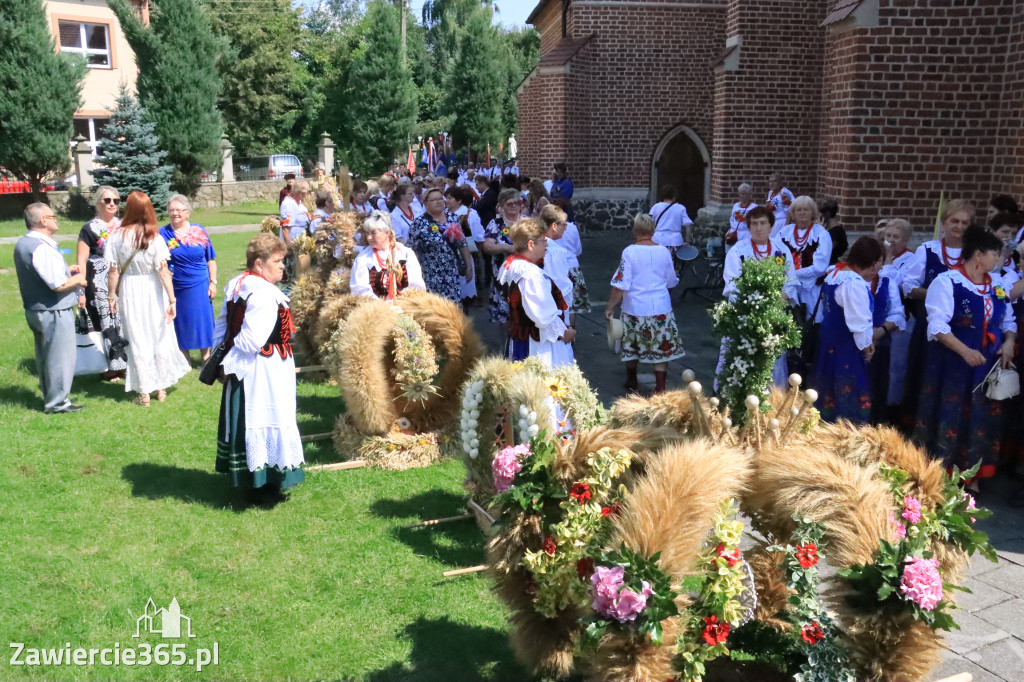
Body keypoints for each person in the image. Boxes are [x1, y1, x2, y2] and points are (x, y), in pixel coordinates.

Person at [913, 226, 1016, 492]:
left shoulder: (997, 284)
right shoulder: (948, 282)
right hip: (953, 366)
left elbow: (1007, 318)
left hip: (985, 369)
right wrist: (965, 351)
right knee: (950, 415)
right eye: (995, 254)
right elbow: (937, 325)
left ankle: (974, 477)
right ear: (979, 255)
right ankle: (942, 475)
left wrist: (1009, 342)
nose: (999, 259)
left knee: (981, 420)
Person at [214, 233, 305, 506]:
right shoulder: (264, 293)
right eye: (276, 261)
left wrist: (221, 360)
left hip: (246, 368)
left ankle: (256, 483)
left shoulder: (236, 283)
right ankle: (264, 486)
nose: (282, 266)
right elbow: (252, 340)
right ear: (258, 264)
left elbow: (221, 326)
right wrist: (231, 363)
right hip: (262, 370)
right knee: (265, 418)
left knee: (246, 420)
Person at [106, 192, 191, 406]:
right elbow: (163, 271)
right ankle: (160, 388)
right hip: (153, 289)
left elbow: (113, 271)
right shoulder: (154, 236)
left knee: (137, 338)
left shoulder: (117, 236)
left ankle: (144, 392)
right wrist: (172, 299)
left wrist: (111, 295)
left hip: (130, 290)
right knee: (158, 336)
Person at [901, 200, 973, 424]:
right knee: (925, 372)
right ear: (944, 223)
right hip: (930, 325)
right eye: (954, 221)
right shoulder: (928, 250)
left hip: (963, 327)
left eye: (965, 222)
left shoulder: (975, 254)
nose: (959, 226)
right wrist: (935, 294)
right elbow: (908, 285)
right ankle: (920, 423)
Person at [15, 203, 88, 413]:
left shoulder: (24, 243)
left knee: (46, 357)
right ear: (43, 221)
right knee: (60, 358)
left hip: (36, 308)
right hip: (53, 310)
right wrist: (78, 280)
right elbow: (58, 285)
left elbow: (42, 274)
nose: (56, 219)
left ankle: (52, 397)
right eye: (53, 216)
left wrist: (66, 269)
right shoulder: (41, 247)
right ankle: (57, 403)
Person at [717, 206, 797, 390]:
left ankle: (773, 400)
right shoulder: (738, 251)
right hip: (745, 315)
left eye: (763, 223)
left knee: (772, 361)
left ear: (771, 226)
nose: (759, 228)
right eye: (754, 224)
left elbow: (790, 281)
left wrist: (780, 298)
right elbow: (732, 283)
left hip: (773, 313)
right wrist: (754, 303)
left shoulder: (780, 250)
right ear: (749, 227)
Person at [605, 213, 685, 394]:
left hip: (635, 307)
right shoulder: (664, 251)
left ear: (635, 231)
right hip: (660, 307)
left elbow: (620, 284)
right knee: (661, 347)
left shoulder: (629, 252)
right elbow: (671, 280)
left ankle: (632, 378)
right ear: (653, 230)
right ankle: (660, 386)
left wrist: (610, 306)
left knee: (631, 346)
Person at [814, 237, 884, 424]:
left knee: (829, 392)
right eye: (873, 266)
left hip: (830, 344)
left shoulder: (835, 273)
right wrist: (868, 347)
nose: (874, 271)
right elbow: (859, 323)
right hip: (846, 349)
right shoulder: (853, 283)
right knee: (848, 396)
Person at [497, 218, 575, 367]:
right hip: (536, 344)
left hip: (520, 337)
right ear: (531, 244)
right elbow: (542, 316)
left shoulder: (512, 264)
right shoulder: (531, 274)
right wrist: (564, 332)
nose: (547, 244)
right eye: (543, 240)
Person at [159, 194, 217, 364]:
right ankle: (184, 356)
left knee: (202, 319)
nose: (175, 213)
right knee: (180, 320)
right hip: (177, 285)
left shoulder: (199, 230)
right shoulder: (162, 233)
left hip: (200, 283)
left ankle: (206, 354)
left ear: (187, 213)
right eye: (171, 210)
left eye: (179, 210)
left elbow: (211, 259)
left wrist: (213, 282)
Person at [77, 185, 127, 380]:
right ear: (98, 202)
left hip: (121, 279)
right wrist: (80, 289)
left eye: (116, 200)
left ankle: (124, 363)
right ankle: (109, 366)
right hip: (98, 282)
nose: (112, 204)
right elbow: (81, 260)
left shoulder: (124, 225)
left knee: (122, 319)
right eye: (107, 200)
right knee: (105, 320)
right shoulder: (89, 228)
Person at [866, 224, 908, 424]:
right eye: (871, 261)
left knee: (877, 386)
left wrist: (881, 330)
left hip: (880, 342)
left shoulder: (887, 282)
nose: (875, 266)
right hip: (853, 345)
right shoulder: (850, 281)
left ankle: (874, 425)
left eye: (879, 261)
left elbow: (898, 314)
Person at [408, 187, 472, 303]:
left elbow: (462, 244)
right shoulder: (419, 223)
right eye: (433, 200)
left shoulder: (452, 218)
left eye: (440, 199)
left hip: (452, 274)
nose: (438, 202)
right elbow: (412, 252)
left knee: (453, 311)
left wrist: (469, 266)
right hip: (430, 276)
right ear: (425, 203)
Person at [878, 218, 915, 411]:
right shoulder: (878, 254)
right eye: (888, 235)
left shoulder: (911, 259)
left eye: (896, 237)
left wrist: (889, 258)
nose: (891, 240)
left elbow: (894, 281)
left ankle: (892, 404)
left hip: (902, 316)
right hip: (879, 314)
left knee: (897, 363)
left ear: (906, 240)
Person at [775, 195, 833, 315]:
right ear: (793, 213)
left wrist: (793, 275)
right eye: (798, 210)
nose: (802, 213)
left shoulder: (821, 234)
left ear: (813, 212)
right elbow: (776, 256)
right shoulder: (784, 232)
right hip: (786, 287)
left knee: (808, 322)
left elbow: (820, 266)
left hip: (811, 289)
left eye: (806, 209)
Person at [350, 211, 425, 299]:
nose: (369, 237)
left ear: (387, 233)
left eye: (373, 233)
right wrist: (383, 307)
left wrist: (402, 301)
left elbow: (416, 285)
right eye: (367, 233)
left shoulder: (405, 253)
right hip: (378, 310)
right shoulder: (363, 258)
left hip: (405, 306)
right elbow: (360, 290)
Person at [482, 188, 523, 324]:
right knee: (504, 317)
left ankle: (522, 345)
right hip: (502, 278)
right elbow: (487, 246)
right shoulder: (496, 224)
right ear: (501, 206)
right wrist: (509, 248)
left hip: (525, 277)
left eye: (516, 203)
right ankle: (505, 345)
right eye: (509, 203)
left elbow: (539, 243)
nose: (513, 206)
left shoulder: (527, 223)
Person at [445, 186, 480, 305]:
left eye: (450, 198)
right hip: (449, 258)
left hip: (465, 256)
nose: (446, 201)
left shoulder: (469, 214)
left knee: (465, 293)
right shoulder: (444, 215)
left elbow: (478, 236)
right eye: (446, 198)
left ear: (459, 201)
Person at [538, 204, 575, 316]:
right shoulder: (555, 251)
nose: (565, 228)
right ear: (554, 226)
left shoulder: (536, 243)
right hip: (553, 306)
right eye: (564, 224)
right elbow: (560, 284)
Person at [555, 198, 591, 313]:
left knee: (559, 305)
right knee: (573, 307)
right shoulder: (573, 227)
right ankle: (572, 328)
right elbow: (578, 250)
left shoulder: (549, 229)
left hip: (557, 268)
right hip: (573, 266)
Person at [648, 185, 693, 255]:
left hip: (657, 240)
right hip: (675, 241)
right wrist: (688, 240)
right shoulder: (680, 208)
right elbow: (688, 224)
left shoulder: (655, 207)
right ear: (674, 196)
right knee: (674, 263)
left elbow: (649, 223)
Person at [279, 179, 311, 246]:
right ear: (299, 193)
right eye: (305, 193)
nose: (306, 195)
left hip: (301, 240)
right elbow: (285, 228)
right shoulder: (288, 204)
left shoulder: (298, 202)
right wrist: (289, 247)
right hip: (293, 241)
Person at [818, 198, 849, 266]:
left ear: (825, 214)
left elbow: (824, 252)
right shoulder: (838, 230)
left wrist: (819, 231)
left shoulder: (834, 234)